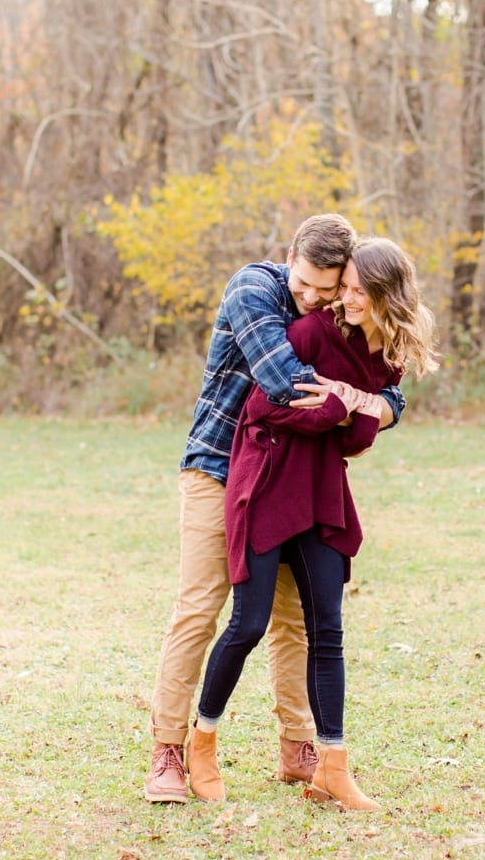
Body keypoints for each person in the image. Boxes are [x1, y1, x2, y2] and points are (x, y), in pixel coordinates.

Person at [145, 215, 407, 804]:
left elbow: (393, 392)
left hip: (290, 478)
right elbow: (286, 382)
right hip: (217, 467)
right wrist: (364, 407)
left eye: (328, 288)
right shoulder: (254, 288)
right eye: (306, 282)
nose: (312, 297)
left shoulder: (339, 310)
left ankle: (298, 748)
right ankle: (168, 749)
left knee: (294, 619)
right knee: (203, 606)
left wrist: (372, 404)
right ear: (290, 254)